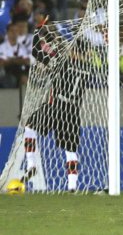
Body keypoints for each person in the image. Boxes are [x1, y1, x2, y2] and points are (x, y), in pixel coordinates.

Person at [17, 22, 94, 193]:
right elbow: (55, 50)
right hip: (73, 112)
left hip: (55, 107)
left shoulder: (61, 63)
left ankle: (31, 165)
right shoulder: (88, 68)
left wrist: (39, 30)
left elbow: (37, 50)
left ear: (73, 50)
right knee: (70, 150)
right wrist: (51, 37)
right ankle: (72, 187)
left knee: (29, 126)